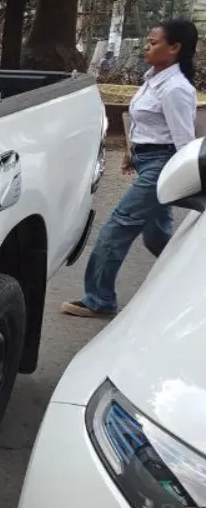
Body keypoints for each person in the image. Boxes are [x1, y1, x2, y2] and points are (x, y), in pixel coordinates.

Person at [62, 17, 200, 318]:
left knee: (117, 228)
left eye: (153, 43)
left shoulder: (176, 88)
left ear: (174, 48)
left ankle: (99, 300)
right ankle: (196, 281)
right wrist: (133, 150)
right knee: (156, 237)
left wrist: (176, 179)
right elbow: (149, 123)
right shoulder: (155, 77)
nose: (146, 47)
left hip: (161, 167)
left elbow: (183, 142)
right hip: (149, 160)